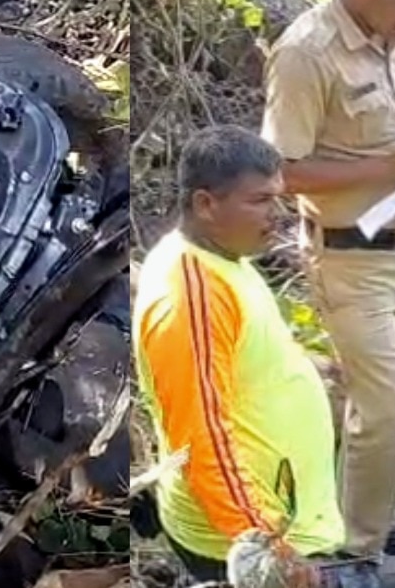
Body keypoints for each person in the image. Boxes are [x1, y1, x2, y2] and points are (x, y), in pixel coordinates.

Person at [259, 0, 395, 579]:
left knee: (383, 405)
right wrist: (392, 168)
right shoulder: (306, 53)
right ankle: (355, 557)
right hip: (350, 258)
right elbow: (278, 173)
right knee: (384, 405)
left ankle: (369, 524)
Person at [133, 126, 378, 586]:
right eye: (261, 200)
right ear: (206, 204)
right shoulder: (189, 295)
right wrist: (269, 549)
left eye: (279, 198)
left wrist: (311, 366)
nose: (278, 215)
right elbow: (201, 439)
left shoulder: (224, 260)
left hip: (281, 526)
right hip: (243, 543)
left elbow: (240, 359)